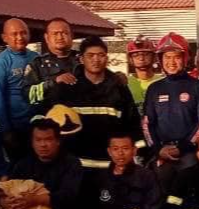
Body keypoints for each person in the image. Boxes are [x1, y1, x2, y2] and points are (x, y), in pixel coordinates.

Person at [47, 36, 141, 171]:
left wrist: (136, 157)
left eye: (100, 55)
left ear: (107, 58)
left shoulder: (119, 88)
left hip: (111, 168)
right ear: (81, 59)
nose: (96, 60)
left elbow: (132, 123)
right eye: (90, 55)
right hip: (75, 167)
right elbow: (50, 122)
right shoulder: (67, 87)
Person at [143, 32, 199, 186]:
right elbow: (147, 123)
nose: (171, 62)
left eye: (176, 57)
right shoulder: (154, 89)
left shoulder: (198, 87)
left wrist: (183, 147)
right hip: (161, 153)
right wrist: (158, 149)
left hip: (189, 154)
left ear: (185, 59)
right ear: (160, 59)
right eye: (167, 57)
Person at [0, 18, 38, 161]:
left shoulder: (36, 58)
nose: (20, 37)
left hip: (36, 125)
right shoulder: (0, 63)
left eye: (23, 33)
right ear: (5, 37)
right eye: (14, 34)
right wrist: (6, 131)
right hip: (14, 128)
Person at [23, 18, 82, 113]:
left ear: (71, 36)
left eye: (64, 33)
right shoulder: (37, 64)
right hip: (49, 121)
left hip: (82, 119)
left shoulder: (84, 60)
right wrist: (53, 82)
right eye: (55, 33)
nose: (60, 37)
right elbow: (28, 95)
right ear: (47, 38)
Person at [123, 36, 163, 107]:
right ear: (130, 59)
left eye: (146, 54)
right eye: (136, 55)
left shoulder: (163, 82)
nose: (141, 58)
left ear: (154, 57)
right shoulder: (125, 83)